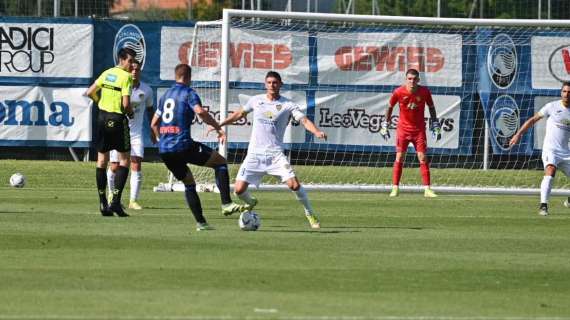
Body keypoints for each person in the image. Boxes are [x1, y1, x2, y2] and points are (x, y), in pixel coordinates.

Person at [216, 71, 327, 229]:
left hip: (275, 155)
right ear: (265, 84)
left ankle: (309, 213)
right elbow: (239, 114)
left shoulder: (288, 105)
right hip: (255, 155)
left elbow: (304, 120)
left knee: (294, 185)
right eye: (269, 82)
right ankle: (251, 202)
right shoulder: (256, 100)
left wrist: (316, 131)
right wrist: (219, 124)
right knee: (239, 190)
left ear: (280, 84)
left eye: (275, 82)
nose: (272, 85)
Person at [150, 64, 246, 231]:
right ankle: (226, 203)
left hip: (165, 150)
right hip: (183, 145)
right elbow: (200, 112)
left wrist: (160, 140)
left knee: (189, 183)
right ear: (189, 77)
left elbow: (153, 124)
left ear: (175, 76)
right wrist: (218, 128)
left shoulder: (165, 95)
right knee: (221, 163)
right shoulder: (189, 93)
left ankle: (201, 223)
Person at [85, 47, 136, 217]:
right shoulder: (126, 77)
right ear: (122, 59)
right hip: (117, 119)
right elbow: (126, 103)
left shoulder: (107, 73)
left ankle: (102, 203)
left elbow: (90, 92)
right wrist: (130, 113)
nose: (132, 65)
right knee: (124, 160)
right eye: (130, 61)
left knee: (101, 160)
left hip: (101, 118)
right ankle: (115, 202)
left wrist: (101, 103)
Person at [509, 82, 570, 216]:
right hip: (551, 150)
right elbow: (532, 120)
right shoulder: (551, 106)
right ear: (561, 93)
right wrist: (518, 134)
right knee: (550, 170)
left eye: (569, 92)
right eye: (564, 91)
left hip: (566, 152)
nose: (566, 94)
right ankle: (543, 205)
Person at [380, 68, 441, 198]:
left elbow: (431, 107)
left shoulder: (425, 92)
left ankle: (427, 189)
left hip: (419, 130)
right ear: (406, 79)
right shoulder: (398, 92)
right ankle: (395, 188)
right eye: (409, 79)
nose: (412, 81)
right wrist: (386, 123)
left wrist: (435, 124)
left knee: (422, 157)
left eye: (414, 79)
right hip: (403, 130)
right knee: (399, 157)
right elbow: (389, 107)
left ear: (418, 80)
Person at [107, 60, 154, 210]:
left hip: (135, 134)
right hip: (118, 132)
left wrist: (153, 129)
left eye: (137, 69)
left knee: (136, 163)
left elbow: (150, 111)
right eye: (132, 69)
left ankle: (133, 201)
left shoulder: (147, 90)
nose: (134, 71)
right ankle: (111, 195)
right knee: (114, 166)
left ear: (140, 71)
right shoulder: (120, 86)